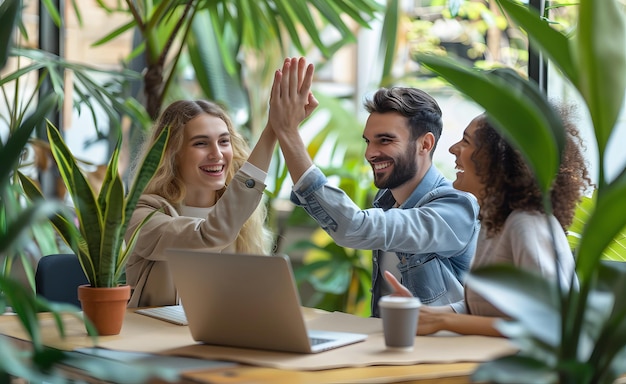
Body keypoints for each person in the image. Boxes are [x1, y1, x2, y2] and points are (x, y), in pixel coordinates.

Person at [269, 68, 480, 317]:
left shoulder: (455, 208)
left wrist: (288, 133)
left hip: (444, 350)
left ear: (425, 144)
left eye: (385, 140)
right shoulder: (386, 202)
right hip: (393, 345)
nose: (370, 153)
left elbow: (353, 227)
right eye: (368, 141)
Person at [125, 57, 317, 307]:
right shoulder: (143, 215)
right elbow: (208, 235)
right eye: (201, 143)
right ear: (173, 154)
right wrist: (273, 129)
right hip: (155, 340)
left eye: (224, 141)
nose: (217, 154)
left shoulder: (241, 218)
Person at [385, 109, 592, 336]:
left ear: (499, 159)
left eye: (466, 141)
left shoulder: (527, 223)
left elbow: (552, 322)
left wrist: (444, 321)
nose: (453, 149)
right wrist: (430, 314)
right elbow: (493, 309)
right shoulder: (496, 221)